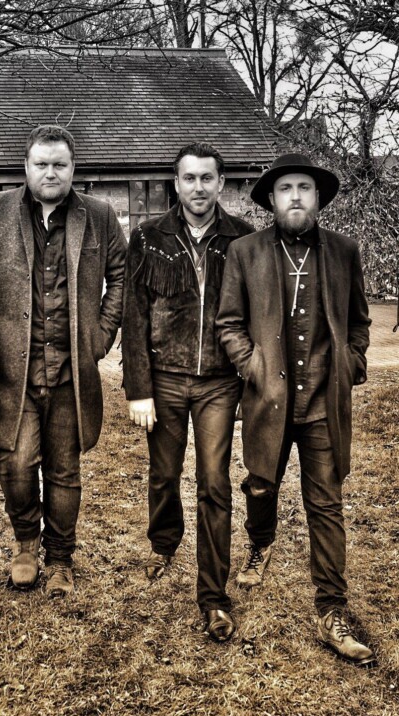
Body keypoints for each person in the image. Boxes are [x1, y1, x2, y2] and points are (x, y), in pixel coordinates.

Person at [216, 153, 375, 665]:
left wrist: (349, 364)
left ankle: (331, 610)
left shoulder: (344, 252)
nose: (296, 196)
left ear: (318, 196)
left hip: (324, 405)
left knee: (325, 506)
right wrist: (253, 366)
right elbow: (229, 324)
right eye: (286, 188)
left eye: (305, 187)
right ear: (272, 199)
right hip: (268, 401)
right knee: (260, 484)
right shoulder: (245, 252)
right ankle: (260, 543)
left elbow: (358, 323)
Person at [0, 125, 126, 598]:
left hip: (71, 370)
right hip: (12, 371)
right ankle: (24, 544)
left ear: (72, 169)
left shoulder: (98, 216)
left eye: (60, 164)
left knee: (64, 469)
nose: (51, 172)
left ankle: (60, 560)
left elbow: (120, 276)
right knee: (15, 465)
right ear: (27, 167)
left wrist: (99, 336)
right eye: (42, 164)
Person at [121, 143, 253, 642]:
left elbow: (255, 316)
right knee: (164, 473)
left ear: (221, 183)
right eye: (189, 178)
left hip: (220, 382)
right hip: (165, 379)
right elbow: (134, 315)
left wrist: (251, 381)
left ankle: (213, 597)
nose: (198, 187)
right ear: (175, 184)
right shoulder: (149, 237)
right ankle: (164, 540)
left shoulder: (242, 239)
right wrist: (139, 388)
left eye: (207, 178)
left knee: (214, 482)